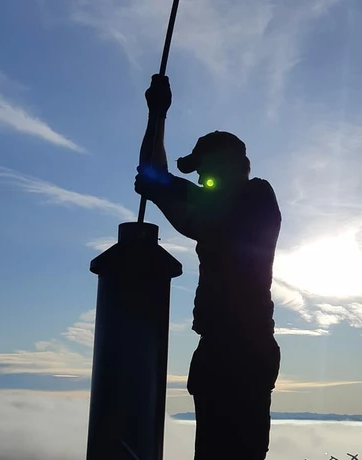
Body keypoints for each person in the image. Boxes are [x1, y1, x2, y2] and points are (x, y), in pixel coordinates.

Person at [134, 74, 282, 460]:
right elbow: (152, 174)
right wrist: (157, 114)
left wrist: (162, 197)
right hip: (217, 350)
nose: (199, 178)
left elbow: (197, 224)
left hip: (245, 352)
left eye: (203, 169)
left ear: (229, 165)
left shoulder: (257, 197)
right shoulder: (213, 199)